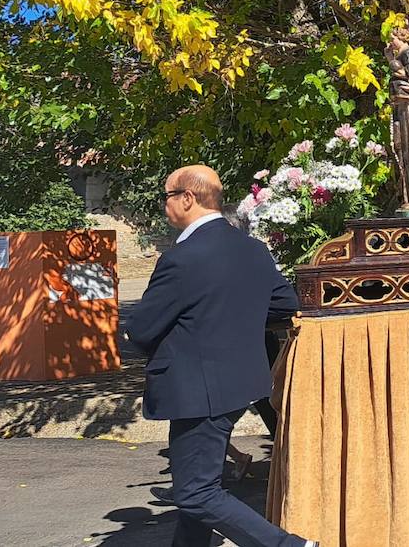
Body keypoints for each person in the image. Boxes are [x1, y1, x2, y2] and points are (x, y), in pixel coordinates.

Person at [127, 165, 316, 547]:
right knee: (200, 486)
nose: (164, 206)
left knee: (196, 493)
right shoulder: (252, 248)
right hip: (238, 383)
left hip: (195, 389)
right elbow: (285, 303)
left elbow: (142, 328)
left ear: (186, 198)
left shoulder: (181, 258)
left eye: (166, 196)